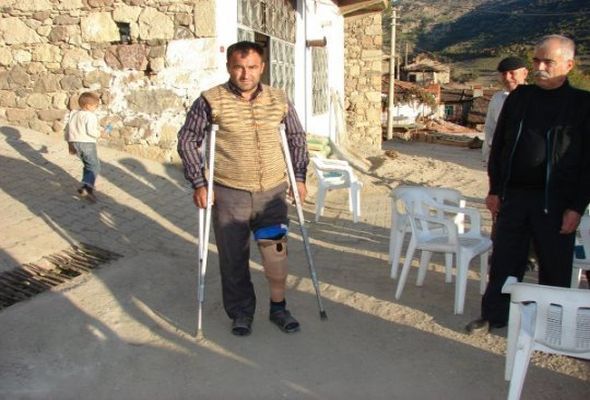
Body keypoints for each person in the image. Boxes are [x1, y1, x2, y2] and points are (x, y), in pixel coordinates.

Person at [177, 41, 308, 337]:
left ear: (262, 68)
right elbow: (187, 140)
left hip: (272, 192)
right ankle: (241, 312)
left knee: (275, 253)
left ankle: (278, 308)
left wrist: (298, 177)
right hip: (229, 193)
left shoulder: (279, 99)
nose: (245, 74)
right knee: (233, 257)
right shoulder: (210, 100)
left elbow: (296, 138)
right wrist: (199, 182)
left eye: (251, 67)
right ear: (228, 67)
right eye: (238, 67)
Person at [466, 34, 590, 334]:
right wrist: (495, 189)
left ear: (569, 65)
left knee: (554, 266)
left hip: (557, 202)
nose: (540, 67)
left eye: (548, 62)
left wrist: (576, 207)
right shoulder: (520, 98)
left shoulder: (582, 104)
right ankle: (494, 315)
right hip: (514, 197)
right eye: (536, 61)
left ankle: (553, 326)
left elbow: (588, 162)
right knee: (504, 260)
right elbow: (499, 146)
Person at [481, 57, 528, 166]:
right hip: (501, 158)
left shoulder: (536, 98)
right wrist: (488, 157)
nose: (507, 78)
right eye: (504, 74)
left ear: (525, 73)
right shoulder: (497, 98)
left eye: (512, 73)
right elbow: (490, 128)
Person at [65, 92, 102, 203]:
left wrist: (69, 144)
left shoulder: (74, 114)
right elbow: (91, 131)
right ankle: (87, 188)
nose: (96, 108)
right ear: (88, 106)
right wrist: (100, 133)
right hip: (87, 144)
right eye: (95, 106)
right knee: (95, 166)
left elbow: (68, 129)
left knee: (87, 165)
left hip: (75, 143)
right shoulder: (90, 116)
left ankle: (86, 185)